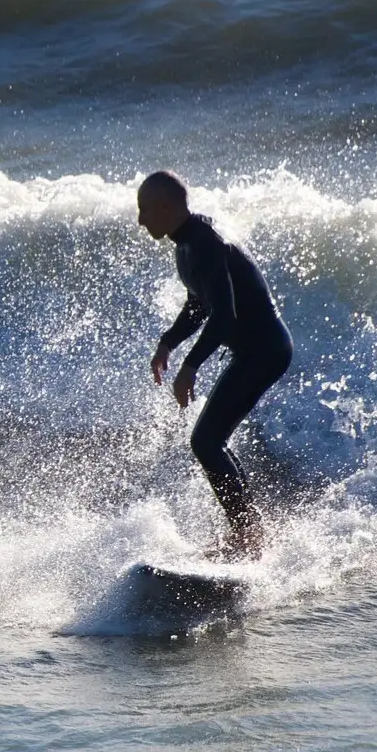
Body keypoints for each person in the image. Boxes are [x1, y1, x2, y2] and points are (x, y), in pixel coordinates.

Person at [138, 170, 293, 560]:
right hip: (252, 351)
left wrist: (190, 366)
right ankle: (250, 533)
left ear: (166, 206)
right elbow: (199, 305)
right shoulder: (185, 244)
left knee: (206, 440)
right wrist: (167, 344)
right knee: (210, 440)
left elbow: (224, 315)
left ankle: (248, 537)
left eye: (144, 210)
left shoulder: (205, 243)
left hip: (266, 349)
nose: (140, 220)